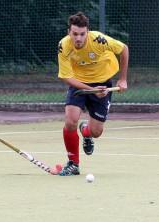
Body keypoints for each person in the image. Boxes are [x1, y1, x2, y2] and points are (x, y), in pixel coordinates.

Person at [57, 12, 129, 176]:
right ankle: (73, 164)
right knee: (70, 121)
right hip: (79, 84)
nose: (78, 38)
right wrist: (91, 91)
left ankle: (86, 131)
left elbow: (123, 49)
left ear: (87, 32)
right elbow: (66, 77)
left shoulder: (98, 40)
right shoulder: (64, 46)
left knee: (97, 132)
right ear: (69, 32)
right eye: (75, 34)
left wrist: (122, 79)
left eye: (82, 34)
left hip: (103, 82)